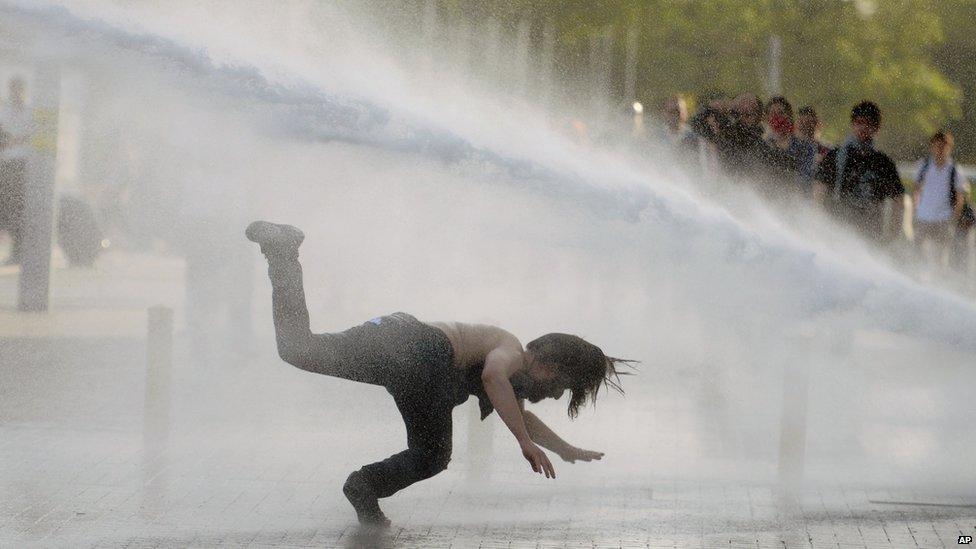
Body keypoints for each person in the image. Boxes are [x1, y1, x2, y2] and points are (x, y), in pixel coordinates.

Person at [244, 220, 633, 527]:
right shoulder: (510, 350)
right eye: (561, 388)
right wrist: (523, 445)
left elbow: (521, 415)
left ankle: (282, 253)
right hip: (422, 352)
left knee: (298, 349)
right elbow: (493, 379)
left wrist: (564, 450)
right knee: (432, 454)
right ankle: (364, 486)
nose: (552, 396)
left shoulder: (512, 372)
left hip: (396, 337)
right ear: (549, 367)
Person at [814, 101, 904, 242]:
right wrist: (817, 224)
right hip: (835, 231)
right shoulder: (835, 156)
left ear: (876, 128)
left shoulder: (883, 163)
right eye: (859, 122)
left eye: (868, 123)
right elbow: (819, 191)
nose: (863, 127)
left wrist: (892, 236)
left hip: (870, 235)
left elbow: (898, 201)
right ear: (852, 124)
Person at [913, 131, 969, 270]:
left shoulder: (955, 170)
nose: (940, 150)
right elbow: (916, 190)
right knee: (918, 254)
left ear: (949, 147)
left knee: (940, 257)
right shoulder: (923, 166)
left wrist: (953, 220)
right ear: (932, 146)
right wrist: (915, 211)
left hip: (943, 219)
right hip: (923, 217)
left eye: (944, 146)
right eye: (937, 146)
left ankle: (939, 282)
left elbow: (959, 198)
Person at [0, 77, 33, 265]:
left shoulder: (30, 112)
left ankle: (19, 251)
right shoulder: (4, 112)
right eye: (14, 90)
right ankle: (15, 250)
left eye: (19, 90)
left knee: (19, 209)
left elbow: (32, 137)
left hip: (22, 165)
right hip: (7, 163)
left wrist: (14, 140)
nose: (16, 94)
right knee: (8, 208)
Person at [764, 96, 817, 194]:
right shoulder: (763, 146)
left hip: (795, 198)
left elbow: (806, 176)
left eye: (781, 113)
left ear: (789, 116)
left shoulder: (804, 146)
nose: (776, 118)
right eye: (772, 114)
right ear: (767, 118)